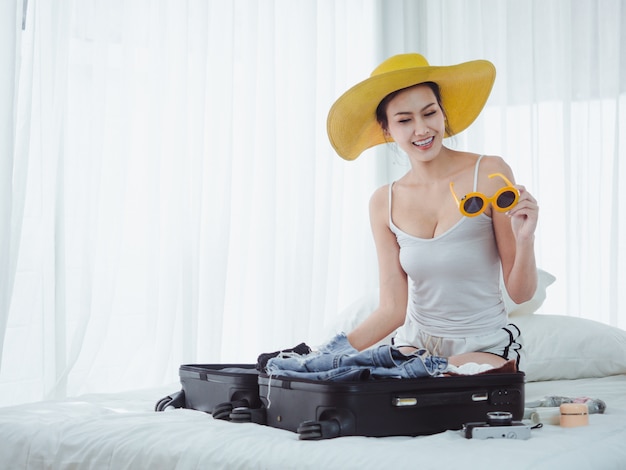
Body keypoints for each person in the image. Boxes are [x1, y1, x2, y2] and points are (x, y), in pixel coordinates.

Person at [326, 53, 539, 370]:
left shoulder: (489, 172)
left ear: (443, 114)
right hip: (415, 347)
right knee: (376, 392)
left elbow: (521, 294)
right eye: (404, 120)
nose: (422, 129)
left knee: (446, 384)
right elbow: (392, 310)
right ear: (387, 129)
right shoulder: (384, 202)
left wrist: (525, 240)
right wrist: (329, 352)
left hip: (482, 347)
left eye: (429, 113)